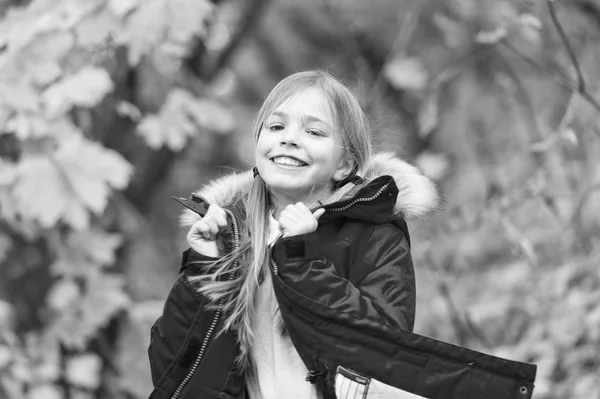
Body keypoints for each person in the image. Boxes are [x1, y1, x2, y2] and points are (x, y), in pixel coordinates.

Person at [148, 70, 533, 399]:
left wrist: (302, 261)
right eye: (277, 126)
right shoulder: (232, 235)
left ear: (344, 163)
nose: (289, 138)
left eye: (314, 131)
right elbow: (173, 366)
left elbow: (383, 348)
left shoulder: (375, 234)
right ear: (258, 144)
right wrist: (205, 267)